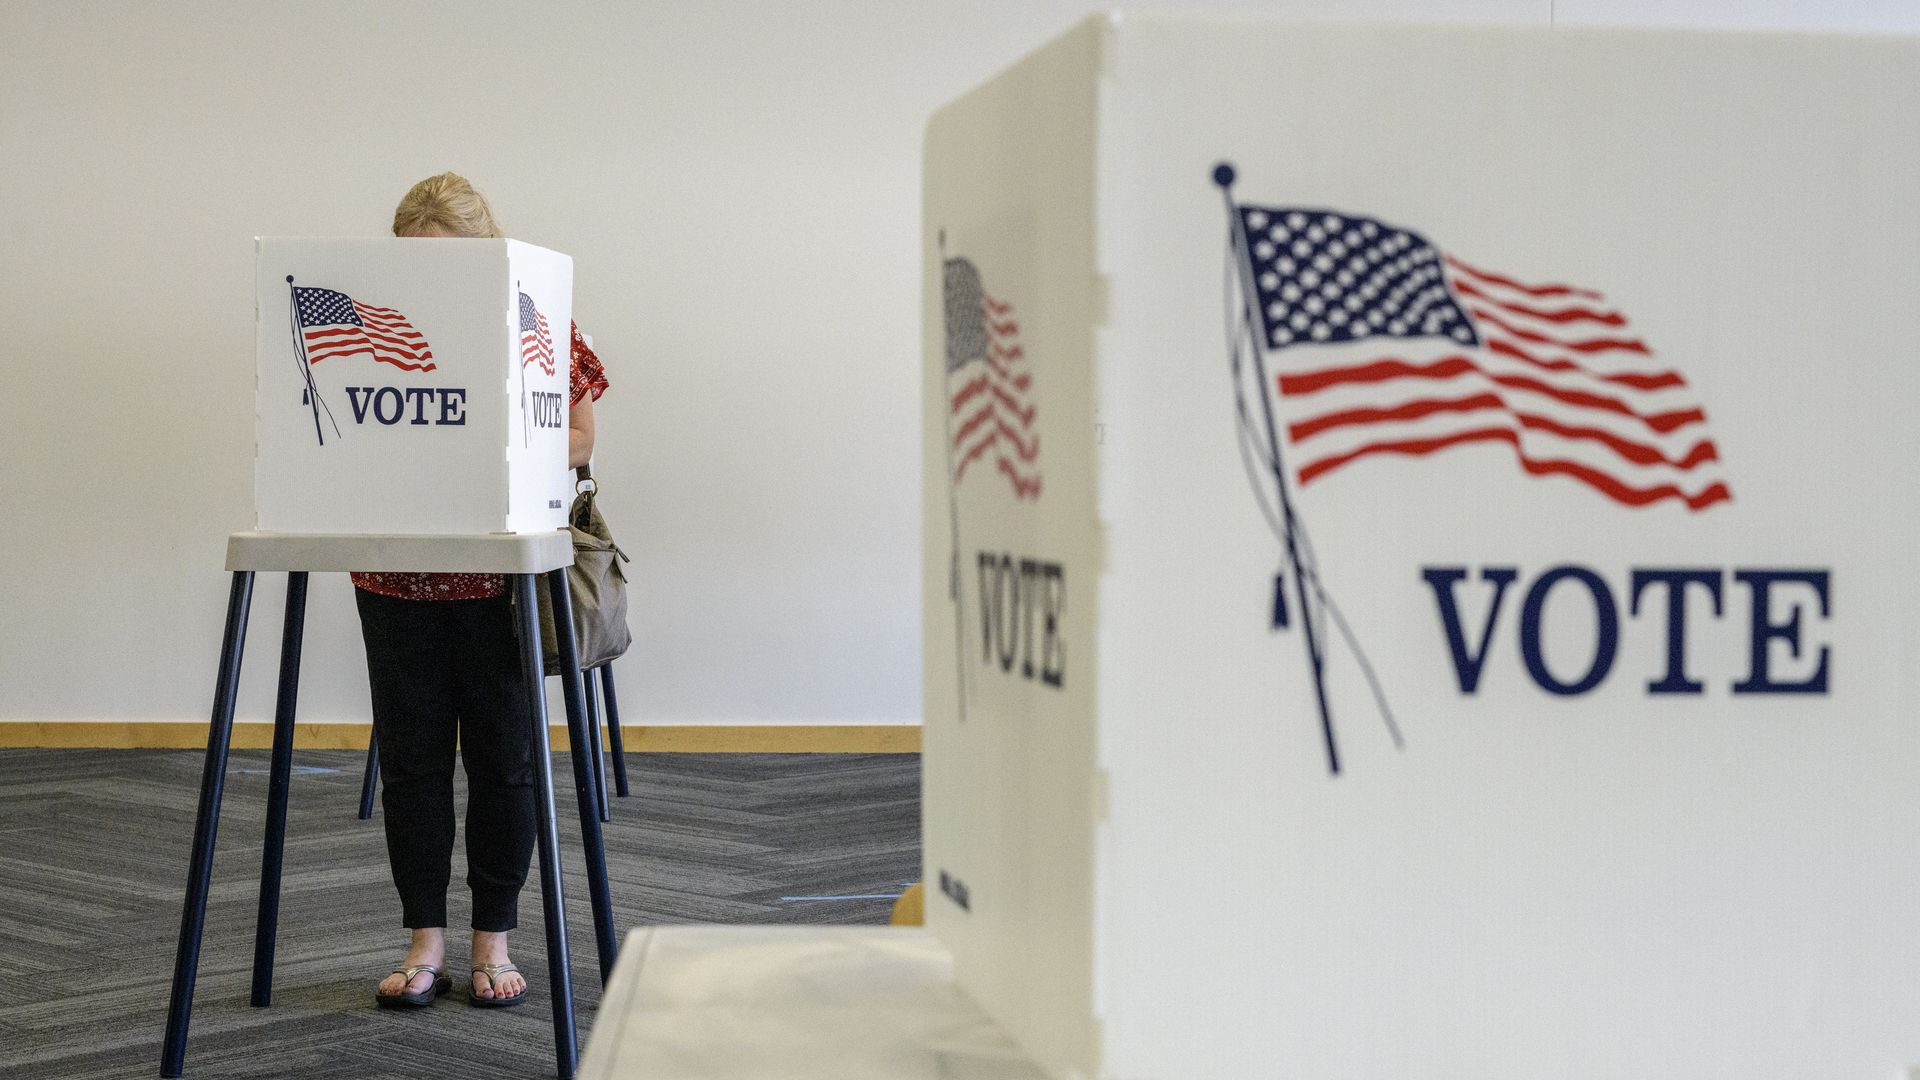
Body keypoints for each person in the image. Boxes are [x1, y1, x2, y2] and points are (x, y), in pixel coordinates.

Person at [358, 172, 609, 1009]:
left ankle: (491, 940)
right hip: (394, 570)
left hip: (499, 579)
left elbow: (580, 437)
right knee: (412, 764)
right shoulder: (373, 320)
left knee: (505, 762)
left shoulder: (534, 314)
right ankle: (424, 938)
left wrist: (510, 444)